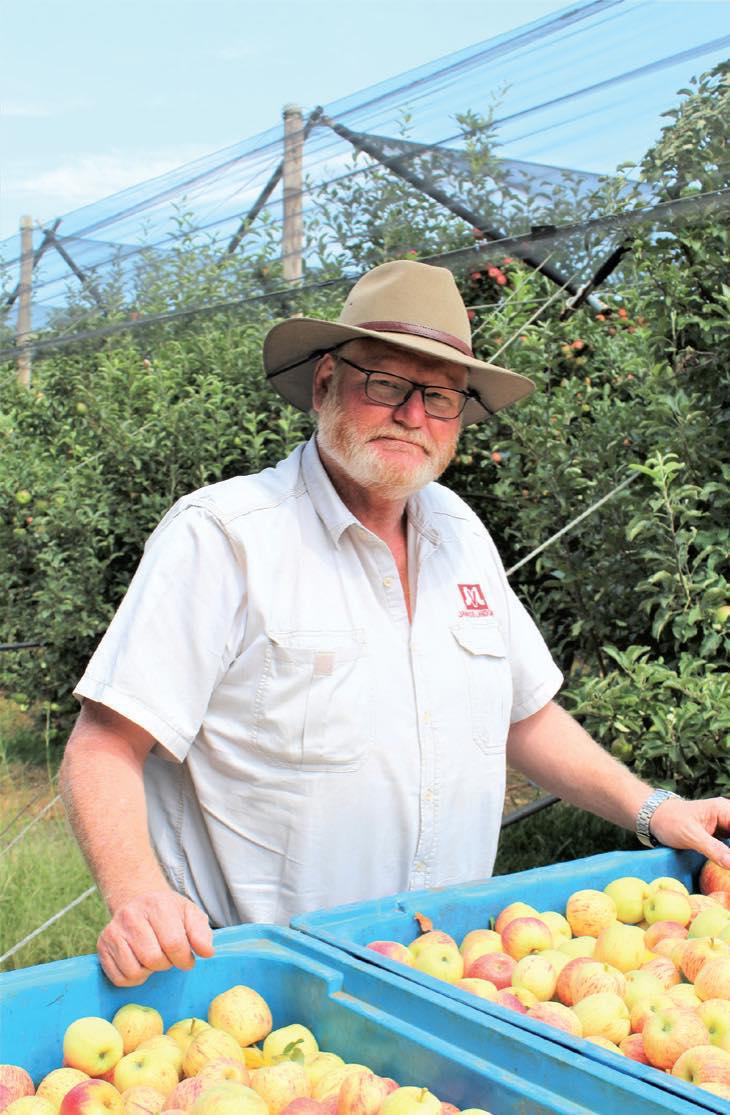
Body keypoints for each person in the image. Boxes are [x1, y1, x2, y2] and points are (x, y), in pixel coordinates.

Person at [60, 259, 730, 988]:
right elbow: (102, 745)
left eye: (441, 397)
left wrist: (653, 807)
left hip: (444, 972)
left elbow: (522, 715)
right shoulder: (225, 538)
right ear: (325, 383)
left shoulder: (460, 533)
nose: (414, 415)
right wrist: (139, 895)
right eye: (386, 384)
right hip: (257, 985)